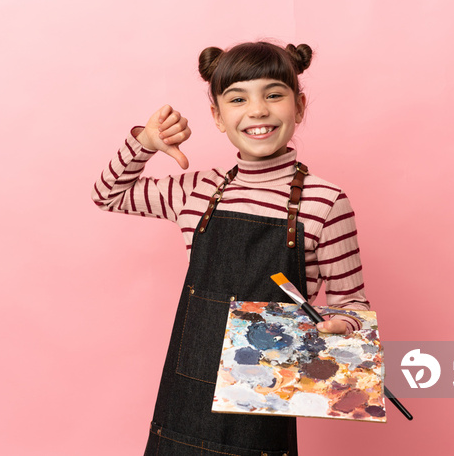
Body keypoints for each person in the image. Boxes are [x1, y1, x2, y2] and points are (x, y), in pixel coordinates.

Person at [92, 41, 370, 456]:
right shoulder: (197, 190)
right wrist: (146, 141)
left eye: (274, 94)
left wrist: (338, 326)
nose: (257, 110)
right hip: (186, 395)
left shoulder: (325, 201)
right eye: (237, 98)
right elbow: (108, 195)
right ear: (217, 117)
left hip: (264, 398)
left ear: (300, 106)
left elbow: (352, 303)